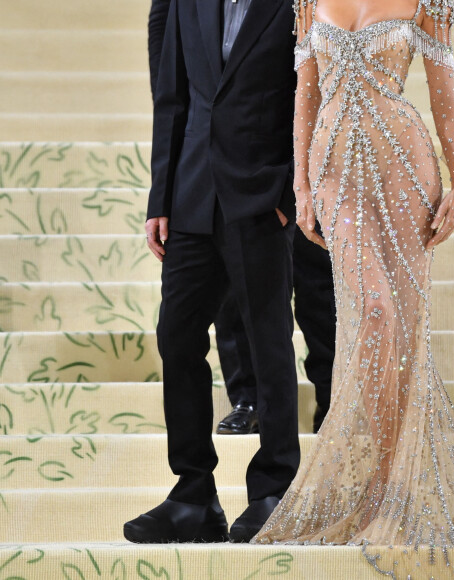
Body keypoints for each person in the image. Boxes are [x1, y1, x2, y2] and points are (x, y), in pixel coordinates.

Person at [253, 0, 454, 577]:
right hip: (335, 172)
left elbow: (442, 94)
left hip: (405, 167)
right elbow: (305, 95)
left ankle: (395, 493)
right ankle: (373, 491)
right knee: (374, 316)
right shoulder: (308, 4)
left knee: (401, 332)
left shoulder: (428, 3)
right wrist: (301, 186)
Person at [124, 0, 300, 544]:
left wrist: (291, 191)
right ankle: (193, 494)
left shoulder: (301, 3)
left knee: (268, 340)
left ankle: (274, 488)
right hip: (193, 190)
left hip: (262, 192)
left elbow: (313, 96)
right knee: (176, 336)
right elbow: (171, 96)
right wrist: (161, 197)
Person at [148, 0, 336, 437]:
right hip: (215, 144)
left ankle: (333, 395)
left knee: (316, 274)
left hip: (294, 150)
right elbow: (168, 42)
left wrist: (295, 180)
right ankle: (246, 395)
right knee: (229, 283)